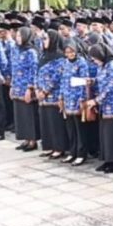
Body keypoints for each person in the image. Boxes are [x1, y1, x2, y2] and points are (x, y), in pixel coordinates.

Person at [87, 43, 113, 173]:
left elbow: (110, 87)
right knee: (106, 134)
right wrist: (93, 81)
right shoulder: (102, 66)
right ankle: (107, 159)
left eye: (95, 58)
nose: (94, 60)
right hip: (105, 106)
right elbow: (101, 80)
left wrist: (96, 101)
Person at [36, 30, 69, 160]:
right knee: (45, 122)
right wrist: (37, 89)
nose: (44, 41)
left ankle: (59, 148)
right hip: (41, 95)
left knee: (55, 122)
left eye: (46, 39)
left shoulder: (59, 57)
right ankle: (48, 146)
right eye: (43, 39)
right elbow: (37, 73)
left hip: (53, 95)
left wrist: (45, 91)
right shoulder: (43, 56)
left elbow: (57, 76)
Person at [10, 25, 40, 151]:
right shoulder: (15, 49)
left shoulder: (31, 52)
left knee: (29, 114)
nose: (18, 38)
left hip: (27, 87)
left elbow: (33, 70)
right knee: (20, 114)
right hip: (17, 85)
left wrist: (30, 88)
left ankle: (32, 140)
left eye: (20, 36)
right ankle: (25, 139)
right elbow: (13, 68)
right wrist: (12, 85)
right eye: (17, 35)